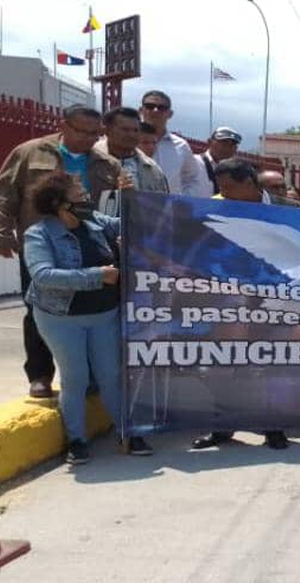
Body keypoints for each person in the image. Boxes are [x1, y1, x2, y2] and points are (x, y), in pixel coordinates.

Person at [22, 172, 153, 463]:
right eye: (79, 197)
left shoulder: (93, 222)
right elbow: (43, 276)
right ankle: (77, 440)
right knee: (76, 378)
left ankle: (127, 432)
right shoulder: (38, 234)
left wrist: (129, 196)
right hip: (60, 316)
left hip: (103, 314)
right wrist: (98, 276)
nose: (86, 201)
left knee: (111, 376)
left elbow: (131, 224)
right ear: (58, 203)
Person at [0, 104, 122, 399]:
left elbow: (113, 207)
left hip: (89, 246)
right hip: (42, 245)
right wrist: (2, 232)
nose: (89, 139)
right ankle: (40, 375)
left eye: (95, 134)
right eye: (82, 131)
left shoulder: (107, 164)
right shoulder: (30, 152)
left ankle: (91, 377)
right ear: (63, 125)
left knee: (91, 311)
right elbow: (5, 194)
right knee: (39, 310)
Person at [194, 159, 294, 450]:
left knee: (271, 366)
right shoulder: (215, 211)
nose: (223, 193)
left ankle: (273, 428)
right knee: (226, 362)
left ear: (249, 184)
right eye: (220, 187)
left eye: (228, 187)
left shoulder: (288, 209)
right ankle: (222, 428)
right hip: (231, 300)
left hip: (277, 301)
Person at [94, 107, 170, 216]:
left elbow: (163, 209)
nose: (131, 135)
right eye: (125, 130)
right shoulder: (90, 158)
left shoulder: (152, 169)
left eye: (135, 130)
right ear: (107, 130)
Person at [139, 90, 209, 197]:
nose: (155, 110)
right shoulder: (126, 140)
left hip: (168, 211)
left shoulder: (181, 146)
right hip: (132, 209)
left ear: (170, 114)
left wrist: (183, 201)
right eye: (149, 106)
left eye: (162, 108)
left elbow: (192, 178)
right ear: (141, 110)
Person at [197, 127, 241, 197]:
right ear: (210, 142)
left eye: (232, 145)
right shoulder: (195, 162)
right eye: (224, 143)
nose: (227, 148)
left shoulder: (238, 172)